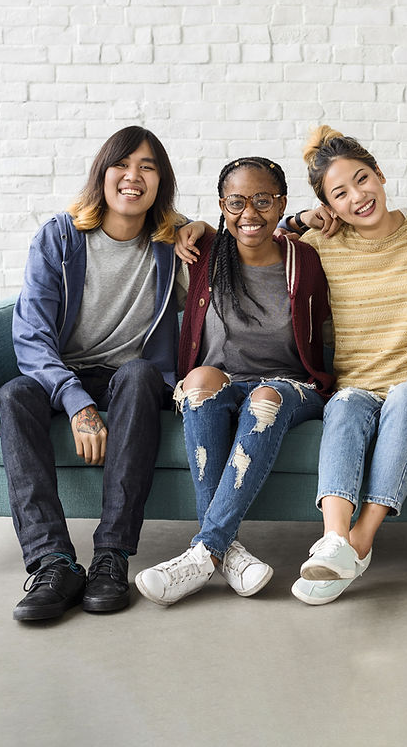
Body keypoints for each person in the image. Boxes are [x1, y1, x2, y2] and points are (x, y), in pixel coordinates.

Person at [0, 126, 185, 622]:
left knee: (143, 374)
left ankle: (110, 557)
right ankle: (52, 561)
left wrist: (306, 217)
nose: (133, 177)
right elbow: (31, 333)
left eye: (147, 167)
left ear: (160, 182)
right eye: (123, 165)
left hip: (131, 379)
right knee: (12, 396)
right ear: (103, 174)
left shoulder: (171, 244)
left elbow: (252, 229)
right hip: (64, 375)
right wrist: (76, 401)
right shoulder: (60, 237)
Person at [285, 125, 407, 605]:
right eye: (340, 193)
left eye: (363, 179)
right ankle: (333, 539)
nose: (358, 196)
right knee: (345, 402)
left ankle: (361, 541)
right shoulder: (322, 242)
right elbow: (254, 232)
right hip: (362, 384)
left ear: (381, 175)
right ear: (329, 206)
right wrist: (299, 218)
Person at [134, 157, 334, 606]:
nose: (249, 214)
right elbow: (146, 209)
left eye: (263, 201)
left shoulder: (304, 258)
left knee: (265, 397)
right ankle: (226, 553)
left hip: (290, 387)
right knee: (198, 379)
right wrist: (196, 226)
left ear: (281, 203)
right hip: (223, 381)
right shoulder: (204, 254)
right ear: (222, 206)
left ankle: (202, 550)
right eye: (236, 202)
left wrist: (300, 220)